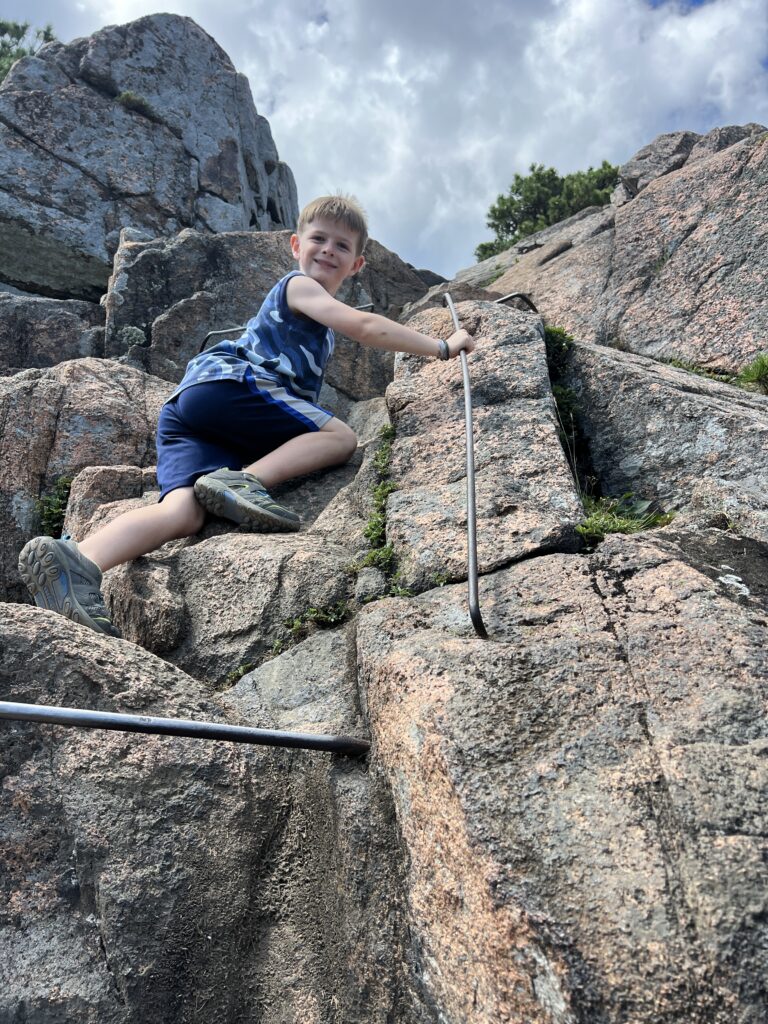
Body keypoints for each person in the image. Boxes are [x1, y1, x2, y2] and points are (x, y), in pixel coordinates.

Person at [18, 194, 475, 638]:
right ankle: (244, 481)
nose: (328, 250)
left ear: (357, 264)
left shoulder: (308, 307)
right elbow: (363, 324)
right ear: (296, 246)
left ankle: (78, 562)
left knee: (184, 512)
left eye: (342, 245)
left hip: (191, 411)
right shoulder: (301, 288)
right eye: (319, 238)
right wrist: (440, 346)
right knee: (338, 436)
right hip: (234, 386)